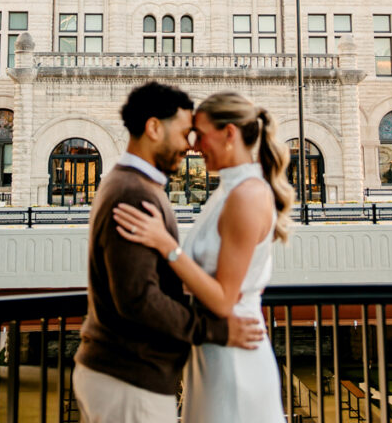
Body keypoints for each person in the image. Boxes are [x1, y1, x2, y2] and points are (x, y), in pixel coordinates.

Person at [73, 82, 265, 423]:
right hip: (129, 379)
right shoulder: (133, 193)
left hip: (131, 376)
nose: (189, 146)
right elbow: (138, 300)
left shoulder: (135, 185)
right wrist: (215, 330)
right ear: (153, 128)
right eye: (184, 133)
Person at [113, 90, 293, 423]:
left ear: (229, 134)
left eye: (200, 134)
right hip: (212, 352)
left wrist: (165, 244)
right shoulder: (228, 191)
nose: (193, 145)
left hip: (235, 358)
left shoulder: (247, 195)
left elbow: (224, 300)